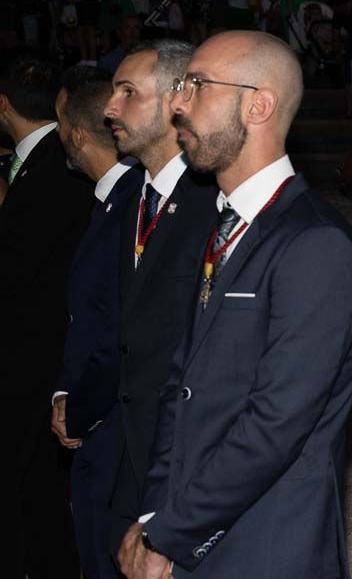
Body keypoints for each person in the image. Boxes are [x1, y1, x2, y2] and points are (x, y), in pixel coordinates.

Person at [117, 31, 352, 577]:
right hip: (196, 528)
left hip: (269, 543)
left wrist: (169, 532)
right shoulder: (223, 225)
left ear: (258, 104)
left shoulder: (315, 245)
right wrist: (153, 509)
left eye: (197, 86)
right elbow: (179, 385)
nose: (179, 103)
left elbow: (275, 425)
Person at [103, 41, 220, 553]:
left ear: (178, 99)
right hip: (132, 448)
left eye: (128, 92)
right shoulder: (129, 198)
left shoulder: (215, 202)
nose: (109, 107)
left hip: (191, 456)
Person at [0, 55, 93, 579]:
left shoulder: (54, 170)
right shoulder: (52, 163)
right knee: (39, 485)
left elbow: (15, 270)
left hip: (31, 354)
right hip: (44, 350)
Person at [51, 65, 140, 579]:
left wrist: (79, 407)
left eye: (61, 124)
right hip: (96, 406)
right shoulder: (110, 200)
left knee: (105, 549)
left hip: (112, 418)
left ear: (78, 135)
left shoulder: (130, 204)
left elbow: (117, 323)